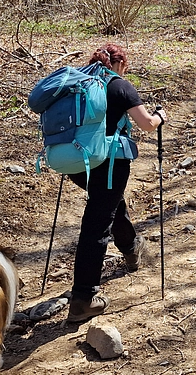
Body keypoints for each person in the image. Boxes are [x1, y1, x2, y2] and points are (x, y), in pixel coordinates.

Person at [66, 42, 166, 322]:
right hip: (108, 164)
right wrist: (160, 117)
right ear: (120, 64)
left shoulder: (79, 82)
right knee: (97, 222)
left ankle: (132, 247)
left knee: (108, 205)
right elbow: (146, 124)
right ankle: (83, 298)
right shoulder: (121, 86)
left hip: (76, 163)